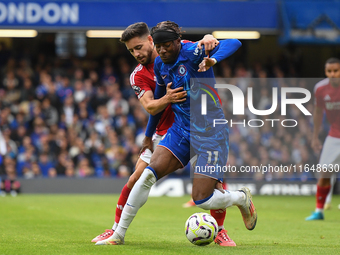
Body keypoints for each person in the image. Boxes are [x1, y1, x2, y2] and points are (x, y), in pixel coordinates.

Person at [96, 20, 257, 246]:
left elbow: (235, 42)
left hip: (211, 133)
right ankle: (118, 234)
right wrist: (147, 136)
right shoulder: (160, 65)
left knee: (202, 198)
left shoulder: (193, 52)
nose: (162, 51)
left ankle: (241, 198)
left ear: (177, 42)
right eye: (159, 47)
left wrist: (213, 58)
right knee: (146, 176)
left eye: (166, 46)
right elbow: (158, 105)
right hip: (180, 130)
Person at [306, 57, 340, 221]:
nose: (333, 74)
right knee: (324, 172)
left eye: (336, 71)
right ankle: (319, 211)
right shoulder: (320, 89)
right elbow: (318, 112)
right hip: (334, 134)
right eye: (329, 71)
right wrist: (315, 137)